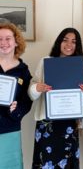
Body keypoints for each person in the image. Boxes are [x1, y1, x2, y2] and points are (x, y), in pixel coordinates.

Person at [28, 27, 83, 169]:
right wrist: (37, 88)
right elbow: (31, 93)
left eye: (73, 41)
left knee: (67, 165)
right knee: (45, 163)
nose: (69, 45)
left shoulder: (80, 66)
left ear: (77, 45)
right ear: (59, 41)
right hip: (47, 124)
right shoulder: (46, 61)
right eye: (65, 40)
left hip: (69, 125)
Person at [0, 22, 32, 168]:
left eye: (8, 38)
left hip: (9, 129)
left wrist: (17, 110)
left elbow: (27, 101)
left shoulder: (23, 71)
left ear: (16, 41)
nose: (3, 43)